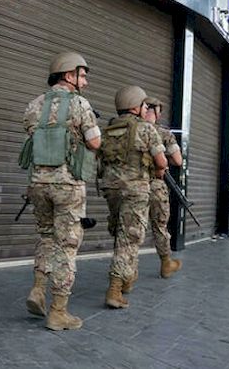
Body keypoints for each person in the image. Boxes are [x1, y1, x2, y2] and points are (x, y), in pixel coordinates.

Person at [21, 52, 101, 331]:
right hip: (67, 185)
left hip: (38, 183)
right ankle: (58, 311)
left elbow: (31, 132)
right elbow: (94, 142)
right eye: (82, 75)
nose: (85, 82)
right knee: (66, 245)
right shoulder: (79, 104)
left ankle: (38, 290)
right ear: (69, 75)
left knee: (46, 236)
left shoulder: (35, 104)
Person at [99, 86, 166, 309]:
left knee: (121, 232)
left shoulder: (107, 129)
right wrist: (158, 169)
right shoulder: (145, 128)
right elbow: (162, 162)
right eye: (144, 105)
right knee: (129, 237)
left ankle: (128, 277)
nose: (146, 108)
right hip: (135, 189)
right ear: (136, 107)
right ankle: (115, 288)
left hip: (111, 189)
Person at [142, 96, 184, 278]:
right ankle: (166, 263)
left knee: (129, 228)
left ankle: (125, 274)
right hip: (155, 185)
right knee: (159, 226)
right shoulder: (164, 133)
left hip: (132, 184)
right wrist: (161, 158)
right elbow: (178, 160)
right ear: (157, 112)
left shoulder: (131, 130)